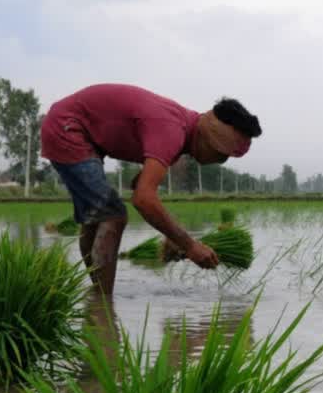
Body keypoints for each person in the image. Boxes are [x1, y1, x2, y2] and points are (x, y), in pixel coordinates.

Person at [40, 83, 261, 295]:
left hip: (76, 128)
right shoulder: (172, 131)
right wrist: (189, 245)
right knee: (112, 215)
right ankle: (103, 303)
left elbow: (139, 185)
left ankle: (97, 299)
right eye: (221, 154)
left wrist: (175, 237)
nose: (220, 161)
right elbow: (143, 199)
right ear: (209, 137)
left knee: (97, 217)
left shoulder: (181, 134)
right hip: (68, 127)